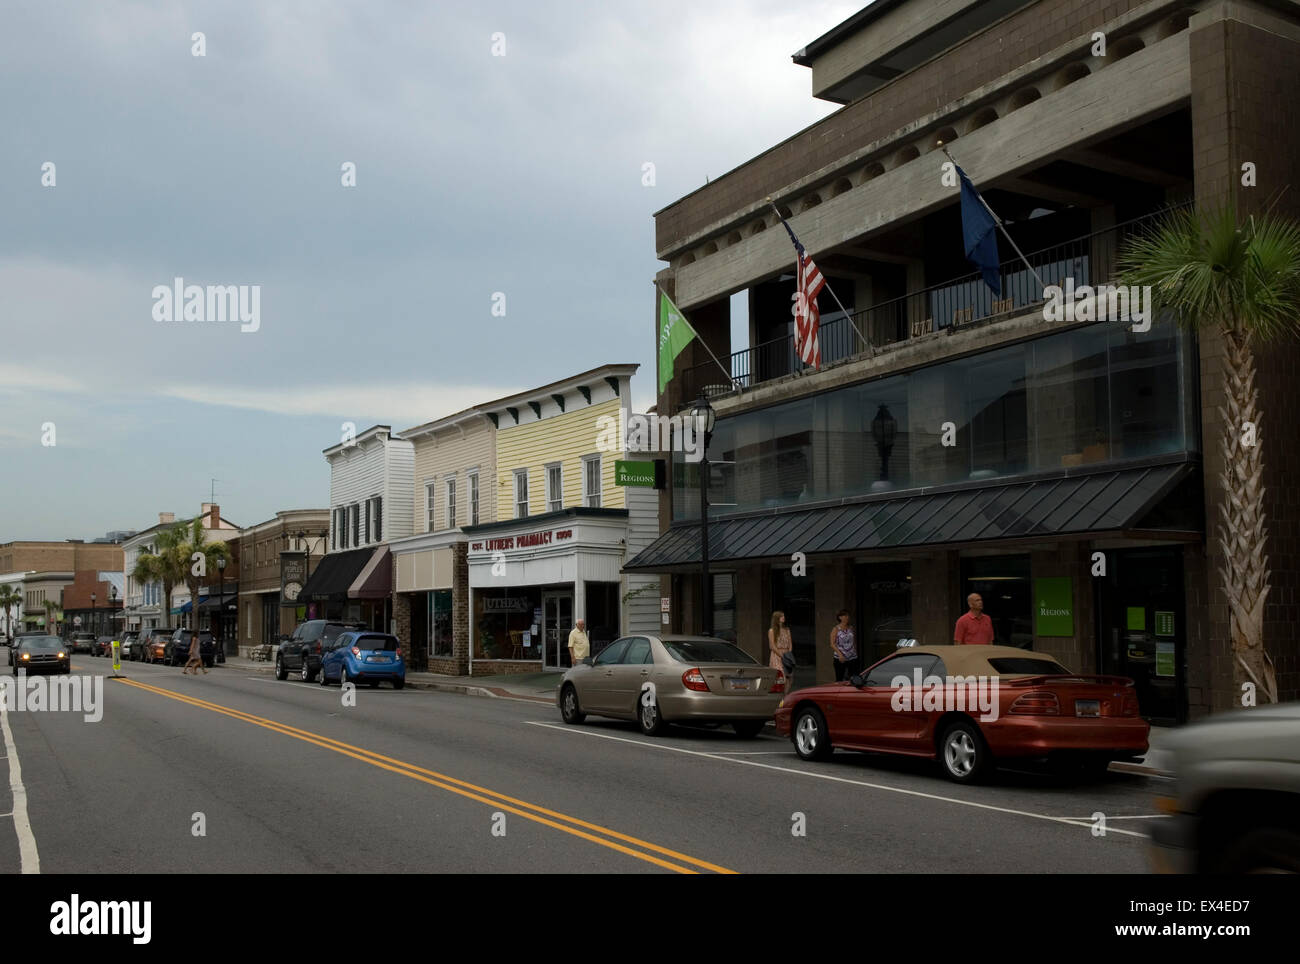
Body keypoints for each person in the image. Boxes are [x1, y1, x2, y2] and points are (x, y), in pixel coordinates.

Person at [830, 609, 860, 681]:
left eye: (848, 615)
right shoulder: (836, 629)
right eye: (845, 615)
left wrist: (855, 652)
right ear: (840, 617)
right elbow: (832, 644)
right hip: (840, 658)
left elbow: (853, 641)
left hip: (852, 657)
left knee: (854, 678)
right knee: (839, 679)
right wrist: (840, 655)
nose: (847, 617)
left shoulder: (851, 627)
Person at [768, 611, 793, 689]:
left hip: (787, 655)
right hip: (777, 655)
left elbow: (790, 643)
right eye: (782, 616)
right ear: (777, 618)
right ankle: (779, 696)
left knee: (789, 678)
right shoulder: (772, 631)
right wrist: (782, 655)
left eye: (784, 616)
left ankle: (785, 697)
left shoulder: (787, 630)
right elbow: (772, 646)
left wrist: (788, 654)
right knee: (780, 677)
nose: (784, 618)